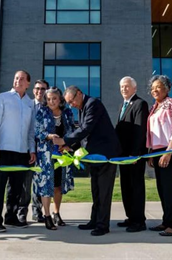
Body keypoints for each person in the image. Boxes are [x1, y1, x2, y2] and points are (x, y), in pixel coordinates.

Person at [53, 86, 121, 236]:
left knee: (103, 192)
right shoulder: (83, 107)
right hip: (94, 156)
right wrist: (67, 146)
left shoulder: (93, 104)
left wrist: (64, 140)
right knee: (95, 190)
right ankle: (94, 220)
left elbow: (86, 129)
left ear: (79, 94)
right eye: (69, 103)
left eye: (72, 101)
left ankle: (103, 225)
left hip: (105, 155)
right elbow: (84, 133)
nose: (71, 105)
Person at [0, 70, 36, 233]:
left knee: (16, 188)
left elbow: (31, 130)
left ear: (28, 83)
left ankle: (11, 217)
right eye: (16, 78)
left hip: (22, 151)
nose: (18, 81)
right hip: (2, 149)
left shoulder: (30, 103)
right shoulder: (3, 98)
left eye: (22, 79)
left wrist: (32, 150)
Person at [146, 75, 172, 237]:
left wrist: (169, 151)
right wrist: (150, 153)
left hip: (169, 150)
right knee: (162, 188)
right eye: (152, 88)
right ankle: (166, 221)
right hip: (156, 151)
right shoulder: (155, 107)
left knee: (169, 188)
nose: (155, 90)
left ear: (167, 89)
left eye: (158, 86)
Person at [6, 79, 48, 224]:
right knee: (25, 182)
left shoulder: (49, 107)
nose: (40, 91)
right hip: (27, 149)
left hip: (44, 150)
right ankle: (22, 212)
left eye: (43, 89)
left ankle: (38, 211)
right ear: (33, 90)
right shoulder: (27, 104)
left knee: (41, 181)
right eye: (37, 88)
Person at [33, 87, 75, 230]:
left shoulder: (68, 113)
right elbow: (37, 132)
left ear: (60, 99)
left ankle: (56, 212)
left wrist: (68, 144)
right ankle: (47, 216)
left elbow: (72, 132)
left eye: (54, 98)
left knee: (58, 185)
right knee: (46, 186)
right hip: (46, 156)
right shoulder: (42, 112)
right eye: (49, 99)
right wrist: (49, 136)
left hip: (62, 155)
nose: (51, 101)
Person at [115, 76, 149, 233]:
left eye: (127, 86)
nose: (124, 89)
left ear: (134, 88)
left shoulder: (140, 104)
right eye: (122, 87)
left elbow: (140, 130)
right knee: (125, 186)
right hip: (123, 155)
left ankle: (139, 220)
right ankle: (130, 217)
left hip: (134, 156)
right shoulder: (122, 105)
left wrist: (135, 153)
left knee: (136, 187)